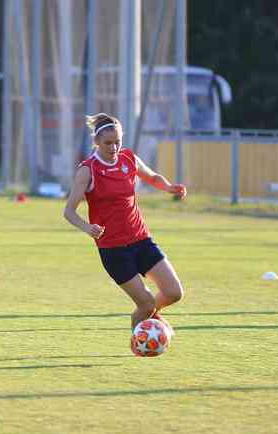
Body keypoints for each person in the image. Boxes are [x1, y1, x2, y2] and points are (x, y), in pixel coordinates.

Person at [63, 113, 186, 351]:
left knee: (173, 292)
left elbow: (151, 176)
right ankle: (138, 340)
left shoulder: (128, 158)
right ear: (96, 142)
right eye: (108, 143)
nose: (114, 147)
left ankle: (149, 318)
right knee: (146, 303)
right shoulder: (88, 171)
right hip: (113, 250)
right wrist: (87, 228)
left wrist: (169, 187)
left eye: (117, 141)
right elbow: (69, 211)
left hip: (141, 240)